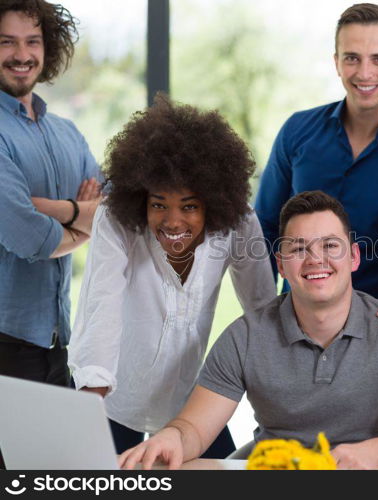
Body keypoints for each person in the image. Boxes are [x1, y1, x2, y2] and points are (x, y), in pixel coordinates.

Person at [118, 191, 378, 470]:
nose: (315, 259)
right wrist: (171, 437)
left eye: (330, 246)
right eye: (298, 249)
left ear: (353, 257)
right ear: (280, 264)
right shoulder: (245, 336)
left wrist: (371, 454)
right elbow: (193, 428)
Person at [68, 95, 276, 459]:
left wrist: (272, 406)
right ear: (141, 199)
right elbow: (102, 307)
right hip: (113, 397)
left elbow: (261, 311)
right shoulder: (116, 221)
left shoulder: (238, 223)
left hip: (188, 404)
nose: (173, 221)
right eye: (158, 204)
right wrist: (88, 410)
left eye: (190, 206)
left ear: (213, 203)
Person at [255, 3, 378, 302]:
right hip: (296, 320)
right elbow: (265, 228)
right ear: (337, 62)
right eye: (352, 58)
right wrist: (262, 317)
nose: (364, 73)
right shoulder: (297, 132)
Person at [0, 0, 100, 387]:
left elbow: (115, 211)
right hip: (6, 344)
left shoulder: (67, 133)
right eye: (7, 42)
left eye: (33, 41)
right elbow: (31, 239)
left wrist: (50, 209)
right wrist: (85, 219)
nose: (22, 55)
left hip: (57, 344)